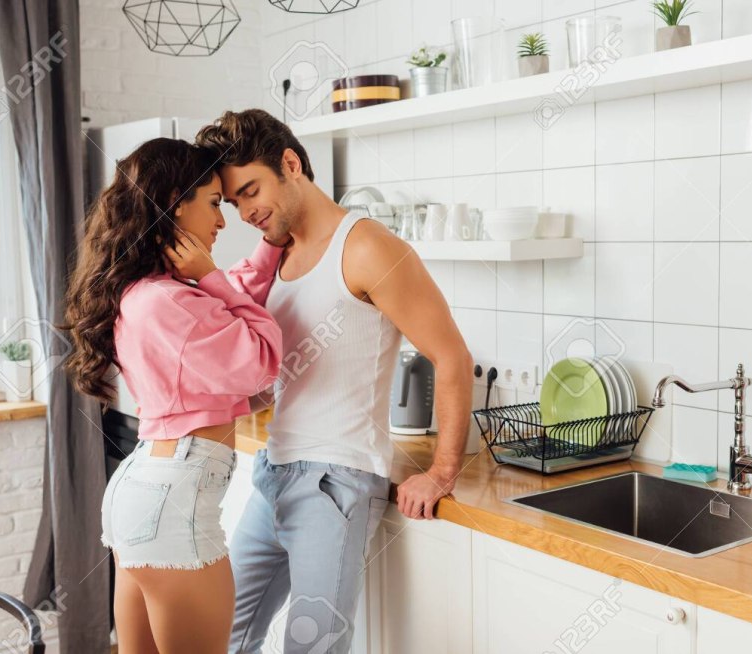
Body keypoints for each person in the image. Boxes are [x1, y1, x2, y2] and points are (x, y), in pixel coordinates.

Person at [195, 109, 474, 653]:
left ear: (290, 164)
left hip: (335, 483)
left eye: (251, 191)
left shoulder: (367, 247)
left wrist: (442, 472)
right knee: (224, 638)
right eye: (233, 202)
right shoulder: (278, 255)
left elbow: (452, 357)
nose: (246, 212)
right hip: (274, 473)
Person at [64, 138, 283, 653]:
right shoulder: (173, 300)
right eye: (214, 202)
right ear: (174, 202)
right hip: (174, 500)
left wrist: (271, 243)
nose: (222, 220)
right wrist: (212, 276)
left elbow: (233, 298)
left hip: (145, 490)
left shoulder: (148, 291)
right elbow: (263, 357)